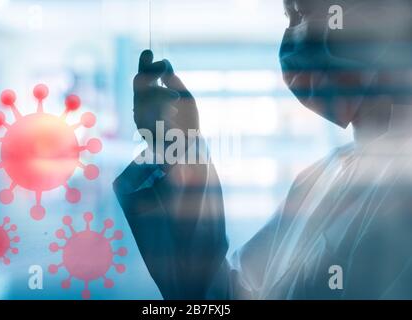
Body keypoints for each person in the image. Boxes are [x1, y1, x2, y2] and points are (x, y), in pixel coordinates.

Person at [114, 0, 412, 299]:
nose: (292, 38)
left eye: (304, 13)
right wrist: (177, 147)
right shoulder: (323, 179)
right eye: (289, 16)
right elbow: (223, 298)